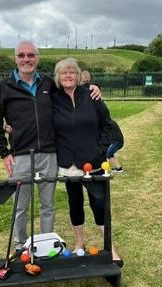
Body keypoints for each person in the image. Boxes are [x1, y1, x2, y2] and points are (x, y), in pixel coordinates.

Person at [0, 41, 101, 251]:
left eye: (31, 55)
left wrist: (93, 87)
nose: (26, 59)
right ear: (16, 59)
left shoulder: (48, 83)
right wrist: (4, 153)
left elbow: (71, 87)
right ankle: (20, 246)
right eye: (22, 55)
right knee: (21, 206)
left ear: (37, 59)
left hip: (50, 154)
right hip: (20, 155)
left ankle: (45, 245)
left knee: (48, 205)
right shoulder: (4, 86)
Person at [51, 58, 123, 267]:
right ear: (57, 77)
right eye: (63, 72)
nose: (68, 75)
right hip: (69, 163)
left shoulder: (92, 96)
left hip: (94, 161)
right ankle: (79, 244)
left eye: (72, 72)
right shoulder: (54, 100)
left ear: (79, 75)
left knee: (99, 204)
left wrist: (100, 148)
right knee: (75, 203)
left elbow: (107, 125)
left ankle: (110, 247)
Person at [81, 70, 125, 173]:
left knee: (106, 155)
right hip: (116, 140)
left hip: (117, 141)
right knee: (110, 153)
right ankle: (118, 168)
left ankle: (103, 168)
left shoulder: (106, 122)